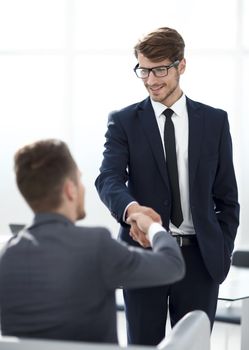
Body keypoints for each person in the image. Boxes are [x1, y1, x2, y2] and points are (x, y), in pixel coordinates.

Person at [95, 27, 240, 346]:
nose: (150, 80)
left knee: (193, 344)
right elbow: (109, 178)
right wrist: (132, 211)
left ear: (181, 65)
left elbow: (227, 198)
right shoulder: (124, 121)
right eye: (143, 70)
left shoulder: (215, 121)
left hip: (199, 260)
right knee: (142, 344)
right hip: (144, 256)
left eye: (159, 69)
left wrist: (222, 248)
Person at [0, 139, 185, 344]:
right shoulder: (95, 246)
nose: (83, 188)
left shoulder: (6, 257)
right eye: (79, 180)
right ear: (70, 189)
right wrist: (152, 226)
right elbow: (172, 265)